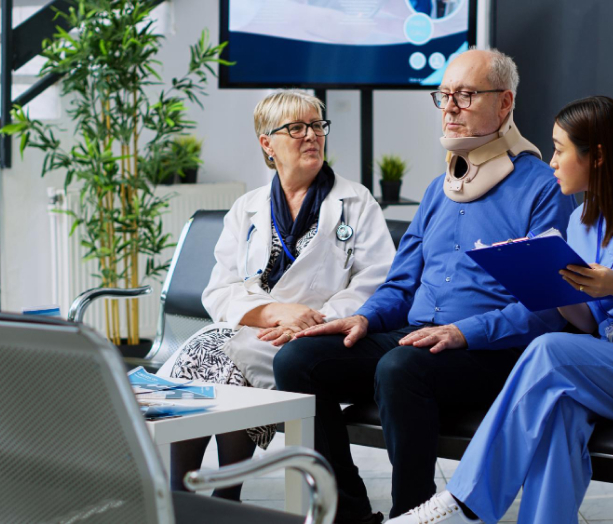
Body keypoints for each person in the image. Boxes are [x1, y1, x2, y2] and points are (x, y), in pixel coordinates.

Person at [273, 49, 577, 524]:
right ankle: (349, 515)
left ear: (505, 103)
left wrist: (462, 333)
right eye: (444, 95)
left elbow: (548, 309)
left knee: (401, 367)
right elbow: (400, 284)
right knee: (297, 362)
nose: (450, 107)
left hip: (492, 352)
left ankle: (411, 516)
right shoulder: (439, 190)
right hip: (417, 340)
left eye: (466, 95)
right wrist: (364, 318)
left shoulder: (544, 188)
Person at [156, 89, 396, 499]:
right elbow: (219, 290)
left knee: (229, 357)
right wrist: (274, 313)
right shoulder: (247, 207)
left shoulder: (355, 202)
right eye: (297, 128)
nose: (312, 135)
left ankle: (210, 497)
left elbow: (375, 281)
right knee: (211, 351)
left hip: (321, 338)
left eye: (317, 125)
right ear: (267, 143)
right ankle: (194, 493)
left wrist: (310, 322)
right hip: (260, 326)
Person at [389, 95, 613, 524]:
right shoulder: (581, 220)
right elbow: (587, 321)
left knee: (549, 350)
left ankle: (464, 502)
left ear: (598, 156)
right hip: (601, 362)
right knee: (560, 414)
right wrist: (546, 282)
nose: (552, 161)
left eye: (560, 150)